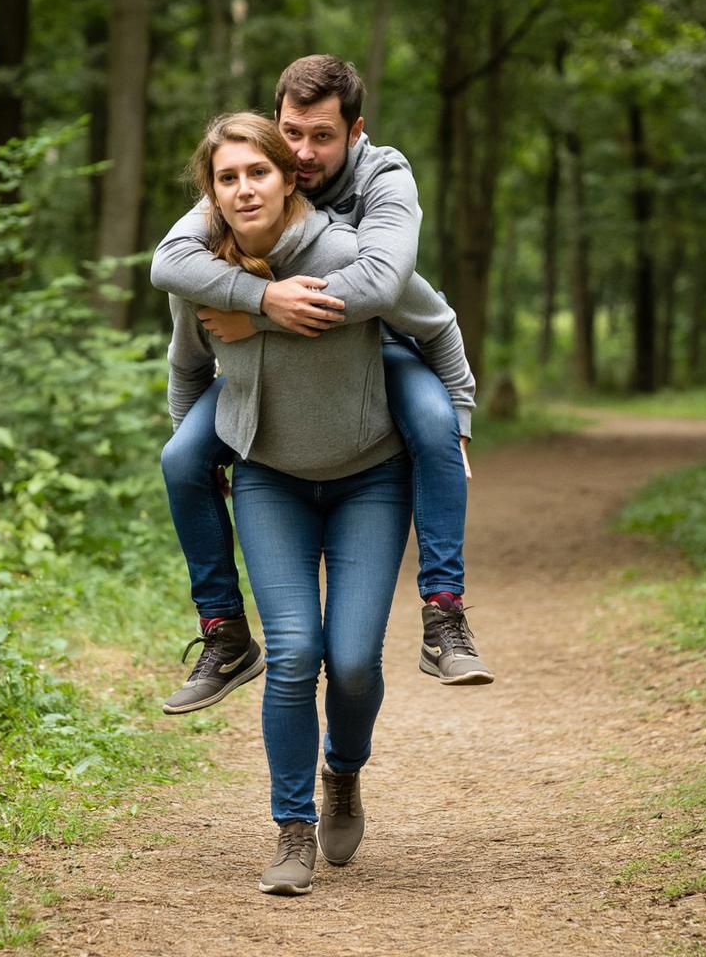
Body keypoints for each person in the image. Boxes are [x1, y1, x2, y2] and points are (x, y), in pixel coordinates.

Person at [165, 112, 477, 894]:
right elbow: (187, 368)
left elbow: (435, 326)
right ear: (211, 190)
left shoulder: (351, 256)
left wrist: (456, 421)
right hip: (269, 479)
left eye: (258, 173)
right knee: (295, 655)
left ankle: (344, 770)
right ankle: (292, 830)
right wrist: (208, 456)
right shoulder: (200, 267)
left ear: (287, 174)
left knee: (353, 664)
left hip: (370, 478)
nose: (243, 190)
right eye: (227, 178)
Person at [154, 55, 493, 717]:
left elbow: (386, 287)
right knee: (181, 458)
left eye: (322, 137)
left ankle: (444, 611)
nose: (303, 154)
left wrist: (257, 315)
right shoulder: (253, 173)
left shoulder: (385, 176)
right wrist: (260, 301)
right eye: (292, 134)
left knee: (432, 424)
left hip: (388, 342)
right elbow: (169, 263)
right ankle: (223, 633)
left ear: (355, 132)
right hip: (276, 359)